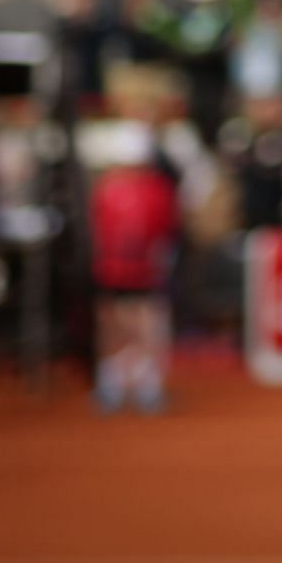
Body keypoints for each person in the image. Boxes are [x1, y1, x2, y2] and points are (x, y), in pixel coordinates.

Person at [88, 123, 180, 413]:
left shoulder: (111, 188)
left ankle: (134, 383)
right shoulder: (147, 188)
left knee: (129, 322)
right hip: (123, 270)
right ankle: (126, 382)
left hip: (133, 270)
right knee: (126, 322)